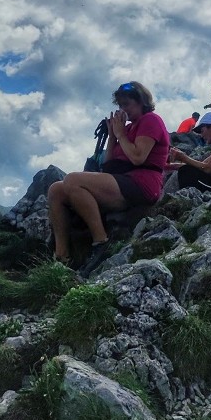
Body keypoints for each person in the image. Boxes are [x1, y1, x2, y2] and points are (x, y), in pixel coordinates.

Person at [47, 81, 170, 278]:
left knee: (72, 180)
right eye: (120, 106)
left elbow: (138, 157)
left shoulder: (151, 120)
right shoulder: (128, 129)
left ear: (141, 101)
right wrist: (113, 135)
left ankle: (100, 241)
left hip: (143, 184)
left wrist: (121, 134)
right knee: (56, 189)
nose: (123, 110)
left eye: (127, 104)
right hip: (121, 180)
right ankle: (61, 256)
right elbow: (108, 165)